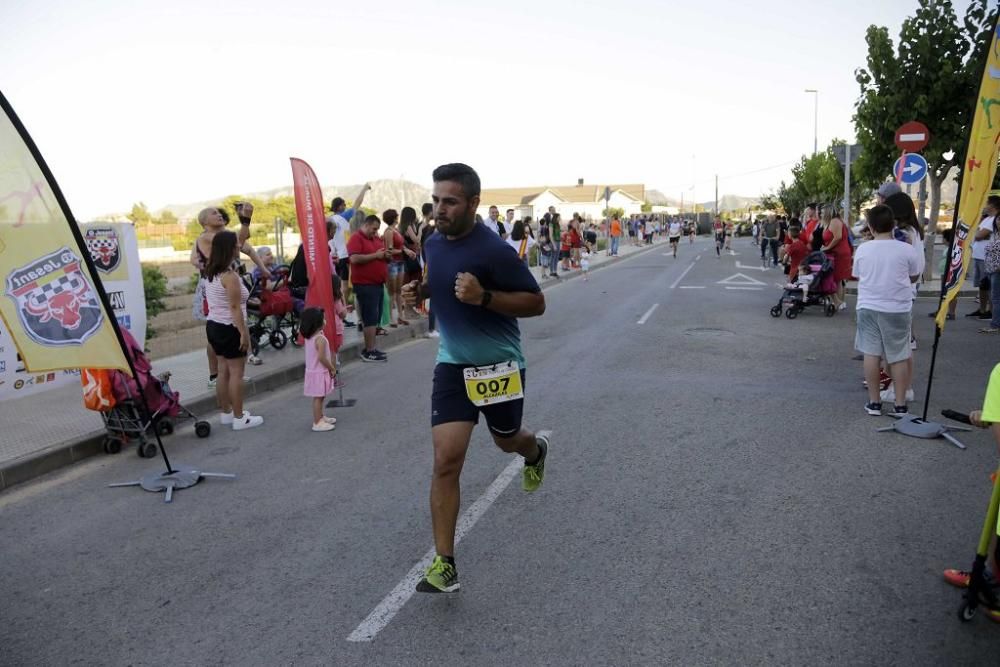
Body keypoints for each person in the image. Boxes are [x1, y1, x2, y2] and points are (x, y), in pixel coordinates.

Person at [402, 163, 550, 594]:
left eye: (449, 201)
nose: (439, 209)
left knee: (506, 440)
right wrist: (421, 292)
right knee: (446, 459)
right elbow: (440, 282)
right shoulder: (432, 243)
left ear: (472, 203)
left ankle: (534, 451)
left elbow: (536, 303)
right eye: (435, 200)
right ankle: (444, 564)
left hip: (499, 365)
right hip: (452, 363)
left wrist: (484, 296)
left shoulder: (495, 251)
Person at [853, 204, 924, 416]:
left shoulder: (863, 249)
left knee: (871, 352)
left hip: (868, 305)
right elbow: (914, 276)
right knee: (899, 354)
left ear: (871, 227)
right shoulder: (906, 249)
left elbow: (858, 275)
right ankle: (900, 404)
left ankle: (874, 403)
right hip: (897, 307)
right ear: (893, 225)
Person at [191, 204, 269, 386]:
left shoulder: (224, 235)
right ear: (204, 222)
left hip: (229, 282)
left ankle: (232, 372)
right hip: (214, 287)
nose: (218, 214)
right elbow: (240, 242)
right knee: (218, 327)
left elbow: (245, 246)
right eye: (213, 213)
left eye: (219, 212)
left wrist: (263, 268)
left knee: (236, 321)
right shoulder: (208, 237)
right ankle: (216, 375)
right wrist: (245, 221)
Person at [204, 230, 263, 430]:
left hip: (213, 326)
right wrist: (243, 333)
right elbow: (235, 308)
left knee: (222, 371)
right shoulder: (230, 277)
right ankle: (240, 418)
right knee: (236, 373)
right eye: (235, 245)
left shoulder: (210, 271)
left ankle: (227, 414)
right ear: (228, 249)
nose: (239, 247)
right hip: (230, 327)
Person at [347, 214, 390, 362]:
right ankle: (369, 351)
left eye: (377, 229)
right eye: (374, 229)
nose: (375, 232)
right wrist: (376, 256)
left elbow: (380, 254)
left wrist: (386, 256)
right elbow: (354, 258)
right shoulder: (356, 238)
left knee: (375, 318)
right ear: (366, 225)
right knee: (369, 318)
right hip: (365, 285)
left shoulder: (375, 239)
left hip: (377, 284)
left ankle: (372, 347)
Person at [299, 307, 338, 432]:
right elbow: (322, 357)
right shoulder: (320, 339)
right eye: (323, 319)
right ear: (317, 324)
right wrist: (332, 368)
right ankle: (317, 422)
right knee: (319, 397)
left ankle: (320, 417)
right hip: (318, 372)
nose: (325, 321)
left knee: (320, 397)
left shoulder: (310, 337)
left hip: (313, 371)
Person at [327, 184, 371, 282]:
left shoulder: (329, 219)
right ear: (339, 207)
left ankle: (341, 297)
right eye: (344, 205)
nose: (346, 207)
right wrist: (364, 189)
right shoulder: (343, 217)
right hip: (345, 254)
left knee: (339, 281)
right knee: (348, 282)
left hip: (334, 255)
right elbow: (357, 203)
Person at [968, 197, 1000, 322]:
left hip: (987, 258)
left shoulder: (996, 219)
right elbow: (976, 233)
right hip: (978, 255)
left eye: (987, 203)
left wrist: (977, 233)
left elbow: (978, 235)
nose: (984, 206)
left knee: (989, 286)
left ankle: (992, 312)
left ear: (993, 205)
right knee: (982, 285)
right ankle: (982, 310)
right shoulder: (987, 218)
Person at [382, 209, 416, 328]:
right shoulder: (389, 232)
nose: (398, 217)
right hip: (392, 263)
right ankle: (391, 317)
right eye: (396, 216)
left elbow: (400, 246)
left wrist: (406, 250)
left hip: (399, 262)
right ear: (393, 218)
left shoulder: (395, 230)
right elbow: (389, 250)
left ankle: (400, 316)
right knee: (392, 291)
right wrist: (404, 251)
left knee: (398, 290)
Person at [818, 205, 853, 310]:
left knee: (836, 278)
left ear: (829, 212)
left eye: (823, 212)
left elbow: (838, 237)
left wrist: (827, 247)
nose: (821, 214)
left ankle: (838, 302)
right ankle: (839, 302)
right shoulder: (833, 221)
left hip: (839, 253)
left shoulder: (835, 221)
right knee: (837, 279)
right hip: (836, 252)